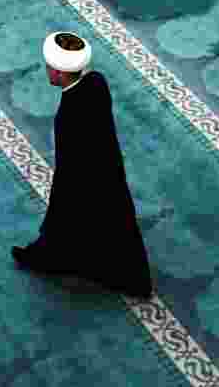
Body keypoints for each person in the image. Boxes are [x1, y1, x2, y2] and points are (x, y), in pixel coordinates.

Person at [12, 32, 153, 299]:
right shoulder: (97, 82)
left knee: (68, 224)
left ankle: (53, 259)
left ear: (60, 74)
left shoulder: (68, 114)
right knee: (116, 227)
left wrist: (62, 199)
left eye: (50, 68)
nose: (48, 71)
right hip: (110, 171)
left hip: (85, 179)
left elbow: (70, 166)